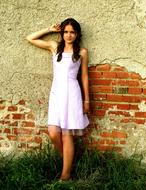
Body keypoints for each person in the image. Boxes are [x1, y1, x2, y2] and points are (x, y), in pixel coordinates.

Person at [26, 18, 90, 181]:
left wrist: (87, 100)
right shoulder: (55, 47)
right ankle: (68, 161)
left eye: (72, 32)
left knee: (67, 133)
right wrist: (49, 29)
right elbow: (30, 38)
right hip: (56, 93)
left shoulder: (82, 52)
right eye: (66, 32)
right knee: (53, 133)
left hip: (72, 93)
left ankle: (65, 175)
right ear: (62, 33)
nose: (69, 35)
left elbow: (84, 77)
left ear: (77, 34)